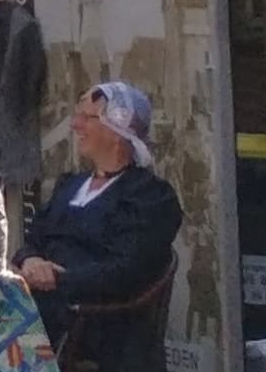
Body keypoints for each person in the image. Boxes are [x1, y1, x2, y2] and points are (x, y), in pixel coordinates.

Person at [17, 80, 183, 312]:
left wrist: (60, 280)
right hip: (38, 307)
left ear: (117, 130)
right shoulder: (70, 185)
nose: (75, 125)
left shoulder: (150, 197)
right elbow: (34, 237)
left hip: (91, 323)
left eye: (87, 117)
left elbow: (128, 271)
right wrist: (30, 260)